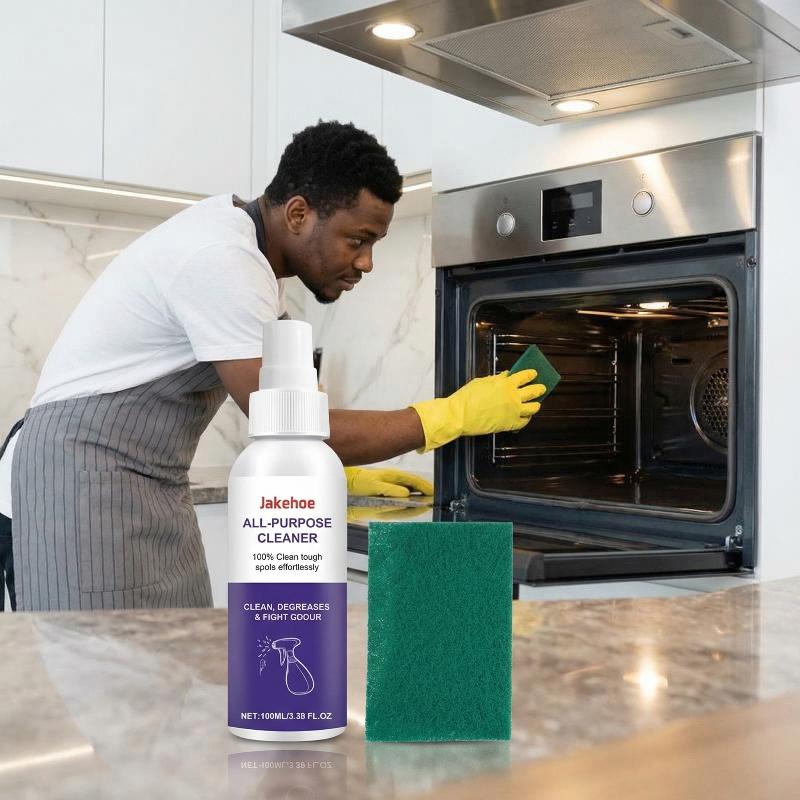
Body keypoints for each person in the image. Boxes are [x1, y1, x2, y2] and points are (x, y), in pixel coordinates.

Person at [0, 121, 545, 612]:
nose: (366, 262)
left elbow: (294, 415)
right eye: (358, 240)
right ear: (299, 214)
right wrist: (449, 416)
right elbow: (298, 430)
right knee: (101, 672)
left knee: (176, 663)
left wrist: (338, 472)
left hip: (142, 483)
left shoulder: (250, 263)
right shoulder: (223, 260)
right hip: (78, 482)